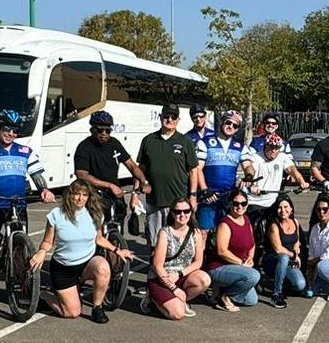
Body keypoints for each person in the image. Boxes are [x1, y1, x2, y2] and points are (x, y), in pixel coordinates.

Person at [0, 109, 55, 312]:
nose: (11, 133)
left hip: (17, 204)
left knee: (20, 249)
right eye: (7, 129)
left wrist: (44, 189)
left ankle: (20, 288)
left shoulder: (25, 151)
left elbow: (36, 174)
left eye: (15, 130)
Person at [32, 180, 129, 323]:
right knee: (71, 312)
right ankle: (44, 295)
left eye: (84, 195)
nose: (80, 198)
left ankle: (97, 307)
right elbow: (47, 241)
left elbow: (99, 239)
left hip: (86, 264)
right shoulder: (57, 215)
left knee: (103, 267)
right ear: (70, 195)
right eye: (77, 194)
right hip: (64, 268)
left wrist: (117, 250)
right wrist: (41, 252)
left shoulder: (95, 214)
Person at [137, 105, 202, 244]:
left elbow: (193, 170)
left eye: (173, 117)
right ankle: (155, 266)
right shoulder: (148, 140)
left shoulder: (185, 142)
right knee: (154, 243)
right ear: (160, 118)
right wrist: (135, 194)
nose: (169, 119)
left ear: (178, 120)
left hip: (178, 205)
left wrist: (193, 195)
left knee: (177, 243)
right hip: (154, 202)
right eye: (166, 116)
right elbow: (140, 169)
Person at [146, 199, 210, 319]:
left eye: (186, 211)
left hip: (181, 275)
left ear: (191, 212)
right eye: (178, 211)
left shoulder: (196, 233)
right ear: (172, 213)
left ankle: (179, 300)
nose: (182, 215)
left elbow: (198, 262)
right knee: (177, 314)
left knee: (204, 279)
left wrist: (179, 274)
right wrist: (173, 288)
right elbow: (157, 266)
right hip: (162, 277)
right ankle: (153, 299)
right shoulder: (165, 233)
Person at [204, 190, 263, 310]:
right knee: (253, 275)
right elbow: (222, 251)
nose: (240, 206)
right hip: (219, 268)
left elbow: (252, 243)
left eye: (243, 203)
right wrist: (242, 264)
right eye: (236, 203)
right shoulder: (225, 224)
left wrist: (250, 258)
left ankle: (223, 290)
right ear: (230, 204)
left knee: (251, 300)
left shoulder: (246, 219)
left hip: (238, 268)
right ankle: (224, 297)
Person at [241, 132, 307, 236]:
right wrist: (251, 185)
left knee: (278, 227)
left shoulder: (282, 157)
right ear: (265, 145)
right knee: (255, 231)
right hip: (255, 202)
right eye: (271, 147)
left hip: (272, 202)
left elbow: (292, 170)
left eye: (276, 148)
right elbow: (250, 170)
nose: (273, 150)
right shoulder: (256, 157)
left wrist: (302, 182)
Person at [73, 110, 147, 203]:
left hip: (115, 194)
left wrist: (143, 182)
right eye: (100, 130)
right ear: (92, 130)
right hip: (95, 196)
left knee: (120, 215)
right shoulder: (84, 147)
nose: (104, 133)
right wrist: (110, 186)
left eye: (108, 130)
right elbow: (82, 175)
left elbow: (132, 166)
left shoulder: (114, 143)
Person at [196, 109, 248, 230]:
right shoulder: (205, 142)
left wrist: (249, 176)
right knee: (203, 233)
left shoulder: (240, 147)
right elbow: (198, 169)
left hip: (229, 198)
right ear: (222, 122)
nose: (231, 126)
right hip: (209, 196)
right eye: (228, 123)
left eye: (235, 126)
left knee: (227, 232)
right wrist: (204, 189)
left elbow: (248, 166)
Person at [263, 195, 309, 308]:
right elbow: (278, 249)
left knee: (300, 285)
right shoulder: (274, 226)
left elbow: (297, 242)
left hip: (289, 262)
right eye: (279, 207)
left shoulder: (295, 222)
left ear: (291, 208)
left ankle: (283, 282)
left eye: (286, 207)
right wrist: (293, 256)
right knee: (283, 257)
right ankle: (277, 293)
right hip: (273, 261)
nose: (283, 210)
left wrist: (297, 255)